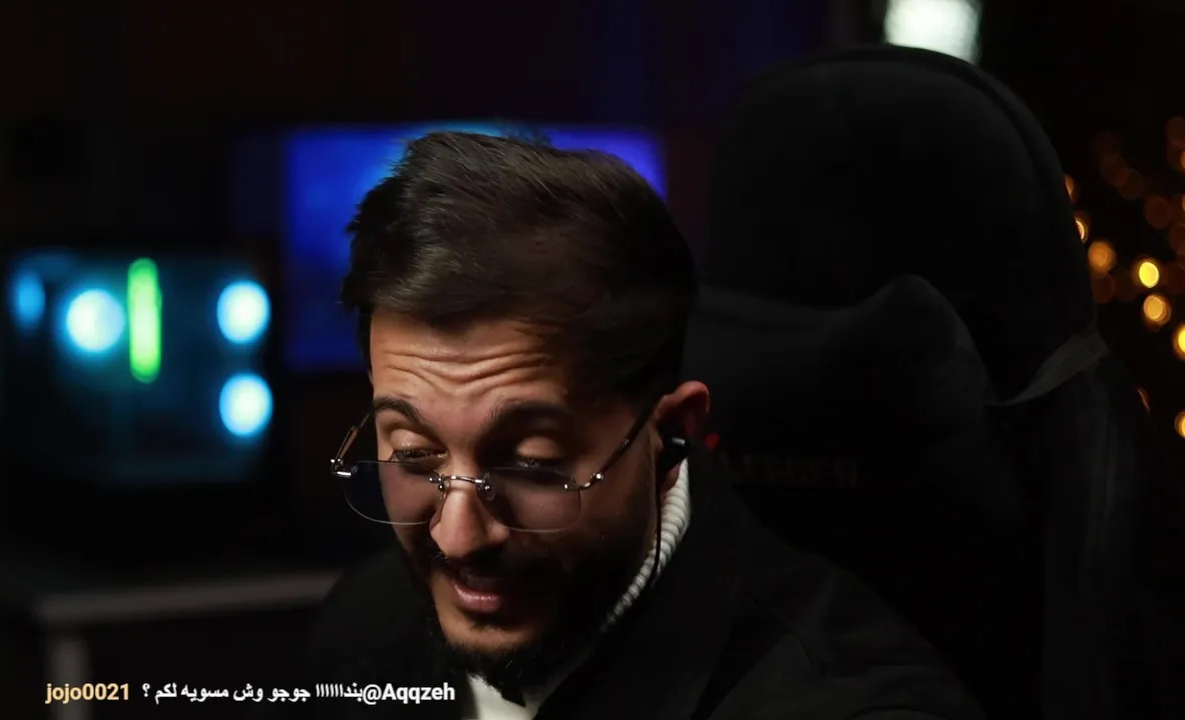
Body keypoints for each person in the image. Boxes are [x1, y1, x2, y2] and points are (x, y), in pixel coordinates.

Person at [294, 131, 984, 719]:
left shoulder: (850, 705)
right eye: (415, 456)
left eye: (530, 465)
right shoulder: (362, 626)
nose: (458, 537)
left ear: (672, 435)